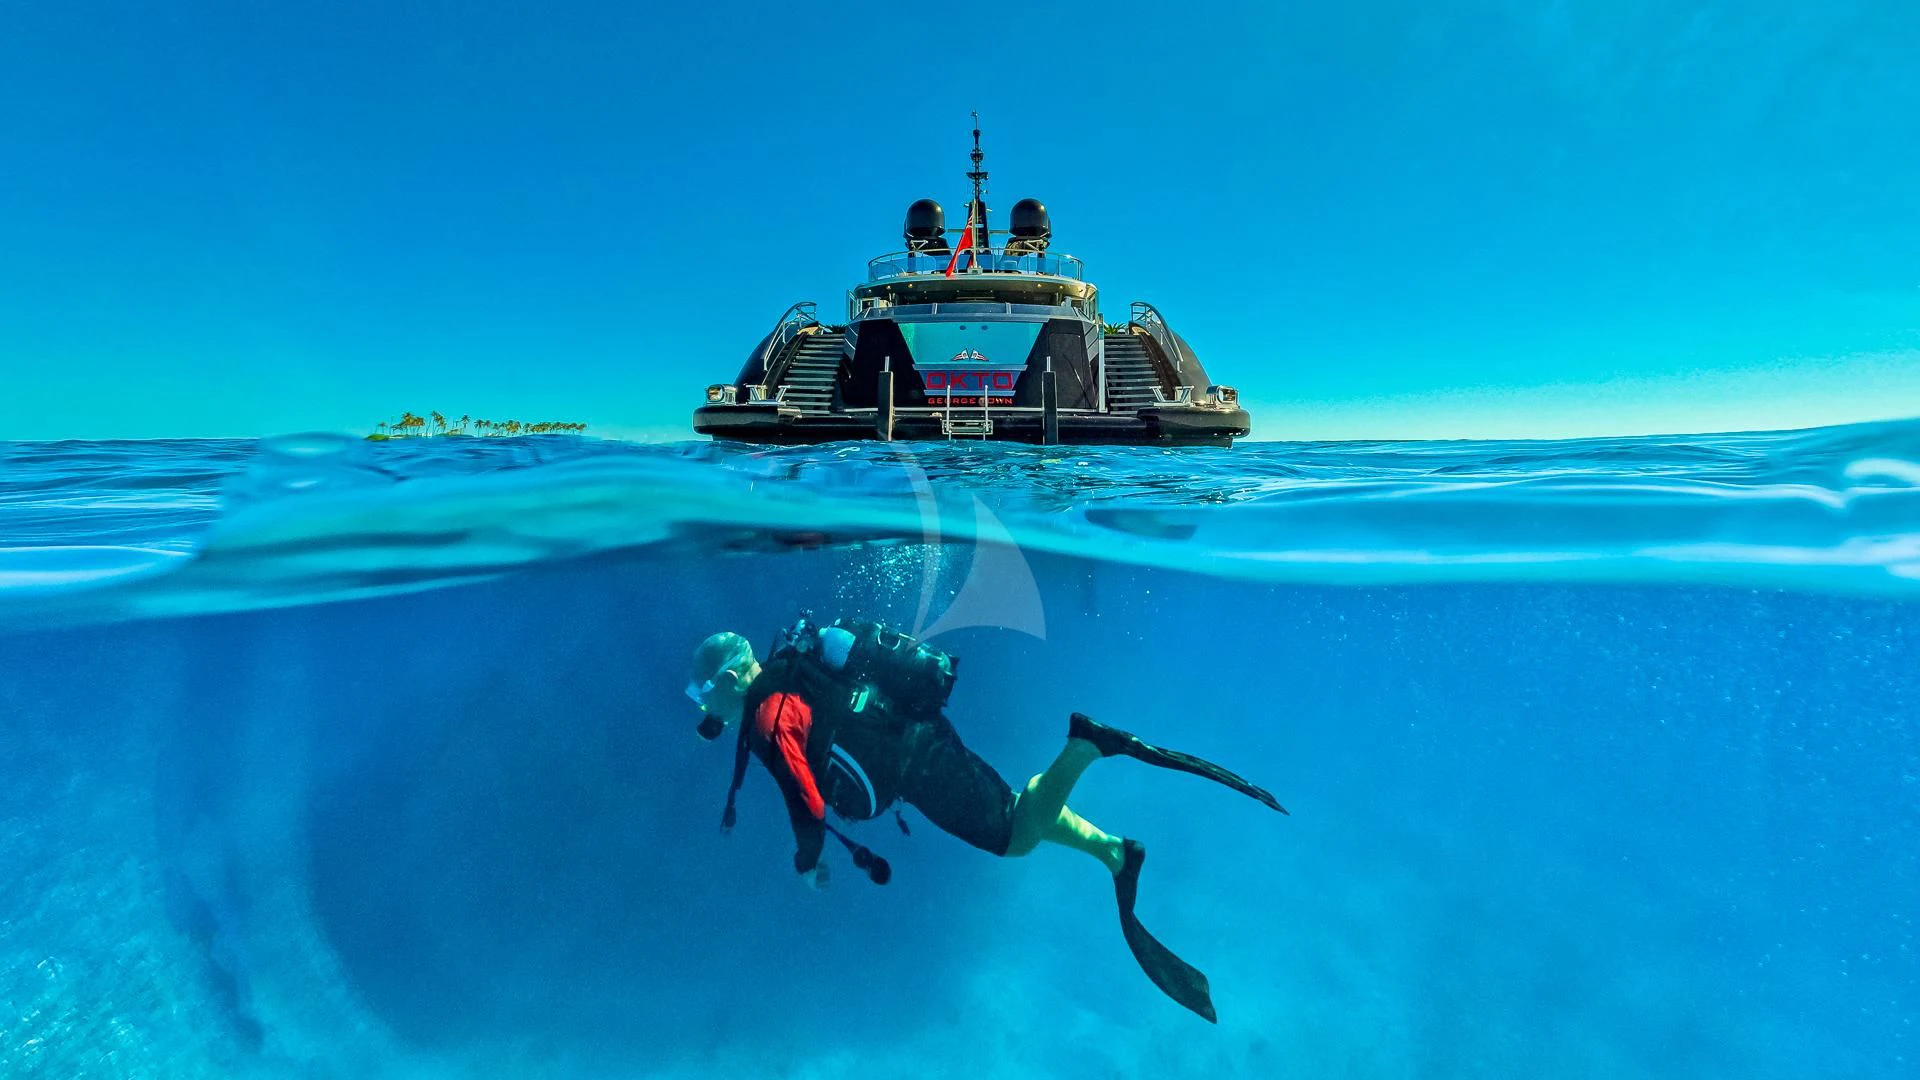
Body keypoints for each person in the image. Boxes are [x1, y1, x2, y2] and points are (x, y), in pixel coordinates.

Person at [685, 613, 1286, 1023]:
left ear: (734, 679)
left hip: (918, 768)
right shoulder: (791, 673)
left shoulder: (768, 715)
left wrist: (806, 863)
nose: (704, 707)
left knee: (1014, 838)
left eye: (704, 694)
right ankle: (1114, 854)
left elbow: (806, 801)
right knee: (1016, 814)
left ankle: (1086, 746)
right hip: (919, 742)